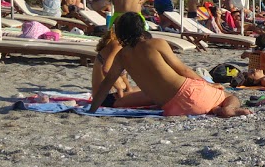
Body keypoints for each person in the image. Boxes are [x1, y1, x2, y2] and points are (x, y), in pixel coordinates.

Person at [89, 12, 248, 117]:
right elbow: (183, 70)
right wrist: (209, 84)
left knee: (207, 103)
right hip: (190, 93)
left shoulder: (121, 56)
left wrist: (91, 111)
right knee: (230, 96)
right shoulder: (157, 43)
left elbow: (105, 85)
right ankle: (229, 109)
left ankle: (216, 110)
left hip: (173, 109)